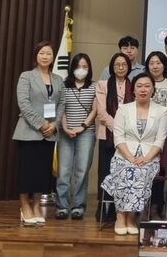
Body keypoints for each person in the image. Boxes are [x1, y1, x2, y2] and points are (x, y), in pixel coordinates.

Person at [101, 72, 167, 236]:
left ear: (153, 89)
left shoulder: (162, 111)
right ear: (133, 90)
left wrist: (146, 158)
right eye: (139, 86)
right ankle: (120, 216)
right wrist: (130, 158)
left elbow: (160, 140)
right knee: (125, 171)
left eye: (147, 86)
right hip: (124, 154)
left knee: (140, 172)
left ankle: (131, 217)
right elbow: (118, 137)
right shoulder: (123, 109)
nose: (143, 89)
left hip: (149, 157)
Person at [13, 41, 65, 225]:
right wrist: (41, 124)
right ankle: (24, 206)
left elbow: (61, 104)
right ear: (36, 55)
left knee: (41, 173)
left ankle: (36, 205)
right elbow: (23, 103)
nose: (45, 56)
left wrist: (55, 125)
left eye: (48, 53)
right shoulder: (26, 76)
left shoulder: (58, 79)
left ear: (53, 57)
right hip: (29, 131)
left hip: (49, 134)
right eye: (42, 53)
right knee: (26, 172)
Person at [55, 53, 96, 220]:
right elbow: (61, 108)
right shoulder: (64, 85)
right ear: (72, 68)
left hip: (86, 132)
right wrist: (65, 127)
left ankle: (78, 206)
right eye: (78, 66)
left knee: (82, 170)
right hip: (65, 132)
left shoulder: (94, 86)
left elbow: (95, 110)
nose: (81, 70)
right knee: (63, 171)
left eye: (85, 67)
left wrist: (82, 127)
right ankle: (62, 206)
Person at [94, 52, 134, 222]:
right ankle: (103, 206)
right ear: (112, 67)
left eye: (124, 64)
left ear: (128, 67)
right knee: (105, 172)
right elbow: (101, 113)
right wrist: (118, 129)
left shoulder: (133, 85)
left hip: (128, 138)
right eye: (117, 64)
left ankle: (119, 208)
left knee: (122, 173)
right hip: (107, 136)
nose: (120, 67)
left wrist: (123, 131)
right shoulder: (102, 85)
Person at [144, 51, 167, 217]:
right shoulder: (143, 83)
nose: (155, 66)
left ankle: (159, 207)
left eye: (158, 63)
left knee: (162, 171)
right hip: (145, 136)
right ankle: (146, 205)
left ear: (164, 65)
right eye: (151, 63)